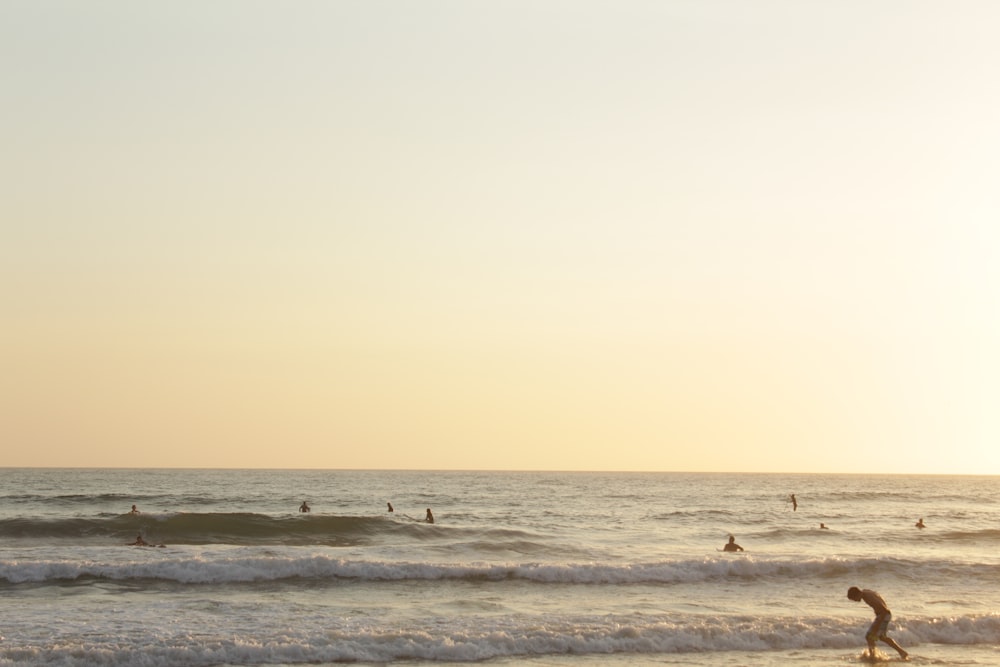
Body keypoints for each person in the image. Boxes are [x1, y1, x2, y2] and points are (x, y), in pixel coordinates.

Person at [846, 586, 908, 660]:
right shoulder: (865, 592)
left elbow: (883, 609)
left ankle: (872, 656)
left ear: (856, 594)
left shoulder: (868, 597)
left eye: (854, 599)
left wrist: (878, 624)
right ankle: (902, 652)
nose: (855, 601)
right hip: (884, 615)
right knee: (882, 637)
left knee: (869, 636)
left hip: (883, 615)